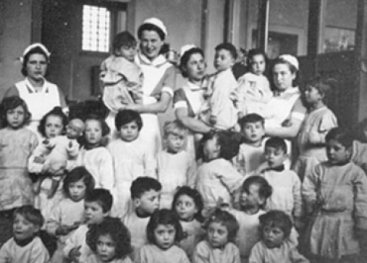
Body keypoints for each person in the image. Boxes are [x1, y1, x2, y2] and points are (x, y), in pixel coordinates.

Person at [302, 127, 367, 262]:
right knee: (319, 254)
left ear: (348, 151)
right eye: (328, 148)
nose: (331, 152)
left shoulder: (356, 173)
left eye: (336, 149)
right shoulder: (319, 169)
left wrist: (362, 222)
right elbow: (308, 188)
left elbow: (362, 200)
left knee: (343, 255)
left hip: (345, 222)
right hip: (322, 219)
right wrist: (313, 201)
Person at [125, 17, 176, 157]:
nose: (149, 45)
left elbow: (163, 105)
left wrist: (136, 107)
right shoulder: (130, 60)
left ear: (162, 41)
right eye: (145, 40)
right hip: (124, 118)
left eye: (153, 41)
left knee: (148, 161)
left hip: (148, 121)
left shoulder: (168, 68)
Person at [3, 43, 66, 136]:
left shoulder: (55, 90)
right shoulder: (15, 89)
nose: (38, 67)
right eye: (33, 62)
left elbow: (64, 120)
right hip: (23, 143)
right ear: (25, 65)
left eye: (42, 63)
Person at [0, 96, 38, 244]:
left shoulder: (30, 136)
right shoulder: (1, 135)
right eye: (11, 112)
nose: (15, 116)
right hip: (3, 183)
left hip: (24, 183)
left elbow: (38, 159)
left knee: (23, 220)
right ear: (4, 114)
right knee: (4, 222)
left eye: (19, 113)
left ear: (25, 115)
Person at [107, 110, 156, 219]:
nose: (129, 131)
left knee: (136, 217)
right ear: (119, 129)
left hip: (139, 189)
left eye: (133, 127)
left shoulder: (145, 146)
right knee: (119, 216)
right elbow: (109, 170)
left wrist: (149, 190)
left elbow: (150, 169)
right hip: (119, 188)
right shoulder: (112, 146)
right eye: (125, 127)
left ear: (139, 128)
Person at [293, 77, 338, 181]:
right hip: (303, 157)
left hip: (315, 160)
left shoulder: (326, 114)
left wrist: (318, 139)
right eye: (305, 90)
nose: (305, 93)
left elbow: (332, 139)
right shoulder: (309, 113)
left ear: (321, 96)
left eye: (309, 90)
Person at [101, 31, 143, 137]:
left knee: (111, 132)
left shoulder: (109, 61)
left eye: (134, 48)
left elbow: (102, 74)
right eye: (127, 48)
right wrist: (138, 103)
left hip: (109, 103)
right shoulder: (129, 66)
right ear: (117, 50)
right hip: (124, 103)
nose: (132, 52)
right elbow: (135, 85)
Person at [28, 107, 68, 219]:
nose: (52, 129)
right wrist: (46, 166)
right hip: (43, 187)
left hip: (61, 187)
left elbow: (72, 162)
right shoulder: (43, 144)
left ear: (64, 129)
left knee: (56, 214)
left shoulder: (66, 144)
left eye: (57, 126)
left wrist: (63, 166)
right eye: (49, 125)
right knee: (41, 213)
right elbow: (32, 163)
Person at [31, 117, 85, 199]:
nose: (70, 131)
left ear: (80, 134)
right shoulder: (59, 138)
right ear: (66, 127)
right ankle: (38, 183)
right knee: (42, 175)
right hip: (49, 161)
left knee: (56, 178)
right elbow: (52, 143)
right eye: (70, 128)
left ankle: (52, 191)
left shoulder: (75, 144)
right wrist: (48, 143)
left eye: (74, 130)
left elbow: (75, 156)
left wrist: (64, 163)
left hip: (60, 168)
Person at [174, 45, 213, 158]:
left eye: (201, 61)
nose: (200, 66)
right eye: (194, 63)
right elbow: (183, 119)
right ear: (185, 67)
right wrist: (212, 131)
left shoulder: (215, 83)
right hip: (194, 144)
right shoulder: (181, 93)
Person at [264, 54, 306, 154]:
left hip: (280, 149)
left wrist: (261, 131)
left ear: (294, 74)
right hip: (260, 145)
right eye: (275, 74)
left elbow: (292, 131)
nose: (278, 78)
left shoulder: (299, 98)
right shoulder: (269, 95)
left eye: (283, 73)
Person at [196, 130, 243, 216]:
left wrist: (236, 202)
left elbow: (237, 184)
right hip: (205, 210)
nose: (204, 142)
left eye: (209, 140)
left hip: (221, 209)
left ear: (218, 147)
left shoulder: (221, 163)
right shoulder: (201, 166)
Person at [227, 176, 272, 263]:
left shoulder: (264, 218)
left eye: (248, 193)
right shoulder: (233, 215)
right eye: (242, 191)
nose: (243, 195)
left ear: (261, 199)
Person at [258, 138, 302, 225]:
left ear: (285, 157)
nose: (271, 156)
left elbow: (297, 198)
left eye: (276, 154)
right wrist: (259, 169)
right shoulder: (263, 176)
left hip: (287, 218)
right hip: (267, 217)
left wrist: (297, 215)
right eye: (267, 153)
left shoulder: (291, 176)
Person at [63, 188, 113, 263]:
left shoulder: (110, 232)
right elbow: (68, 244)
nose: (88, 212)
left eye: (93, 209)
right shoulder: (82, 229)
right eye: (86, 208)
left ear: (105, 212)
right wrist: (71, 252)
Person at [157, 120, 197, 209]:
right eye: (174, 139)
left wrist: (186, 192)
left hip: (180, 199)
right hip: (162, 198)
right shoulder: (159, 157)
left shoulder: (187, 157)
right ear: (165, 139)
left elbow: (191, 179)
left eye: (181, 138)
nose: (178, 142)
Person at [123, 177, 161, 258]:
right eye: (152, 199)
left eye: (158, 198)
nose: (157, 202)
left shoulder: (158, 221)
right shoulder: (126, 220)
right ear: (137, 202)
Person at [203, 43, 238, 130]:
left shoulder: (225, 78)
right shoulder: (219, 75)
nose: (218, 60)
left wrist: (214, 114)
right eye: (216, 57)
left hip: (220, 113)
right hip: (220, 110)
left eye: (222, 58)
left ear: (232, 62)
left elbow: (219, 95)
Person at [76, 114, 114, 191]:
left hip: (97, 193)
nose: (92, 133)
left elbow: (107, 180)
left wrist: (104, 193)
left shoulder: (103, 153)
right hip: (81, 191)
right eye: (88, 130)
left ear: (102, 132)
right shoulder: (81, 150)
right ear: (83, 133)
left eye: (96, 130)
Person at [236, 49, 272, 118]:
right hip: (250, 108)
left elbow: (267, 94)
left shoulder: (265, 79)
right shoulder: (246, 78)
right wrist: (239, 110)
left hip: (262, 108)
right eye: (254, 63)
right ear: (249, 64)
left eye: (261, 63)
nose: (258, 66)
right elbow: (239, 95)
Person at [172, 186, 205, 259]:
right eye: (178, 204)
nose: (182, 207)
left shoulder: (199, 226)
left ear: (196, 209)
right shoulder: (172, 223)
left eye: (187, 204)